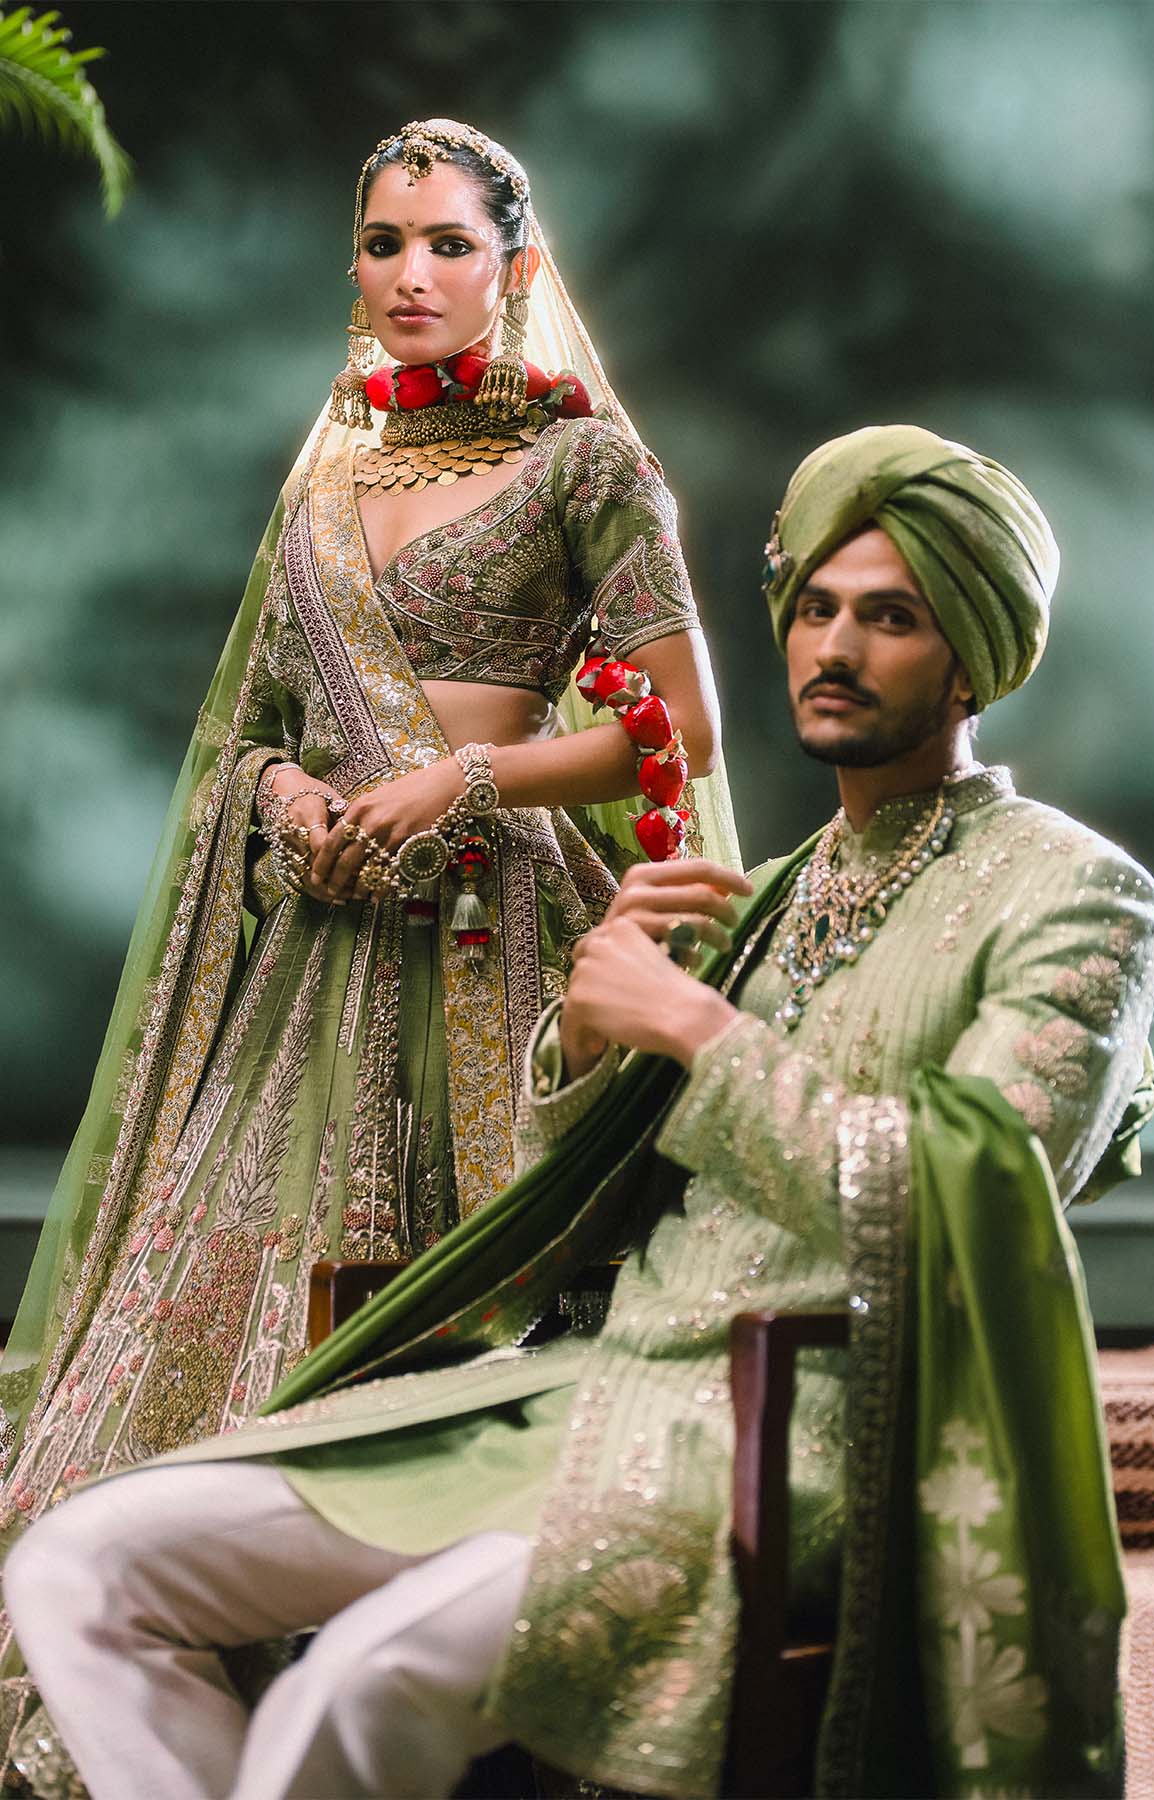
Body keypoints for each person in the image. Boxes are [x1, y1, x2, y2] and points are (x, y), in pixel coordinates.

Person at [4, 426, 1154, 1800]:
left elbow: (969, 1205)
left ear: (971, 660)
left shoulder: (1077, 895)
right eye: (816, 609)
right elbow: (584, 1198)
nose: (836, 647)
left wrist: (693, 1028)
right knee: (78, 1562)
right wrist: (587, 1034)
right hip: (577, 1397)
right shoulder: (769, 894)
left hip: (795, 1442)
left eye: (892, 618)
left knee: (362, 1676)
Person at [0, 117, 739, 1752]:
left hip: (502, 934)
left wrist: (464, 779)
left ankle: (444, 1675)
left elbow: (676, 726)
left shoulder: (586, 467)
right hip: (323, 949)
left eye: (450, 244)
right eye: (386, 242)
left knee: (484, 1287)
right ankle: (209, 1641)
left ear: (514, 268)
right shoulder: (326, 476)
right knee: (250, 1279)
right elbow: (253, 729)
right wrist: (282, 801)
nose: (413, 273)